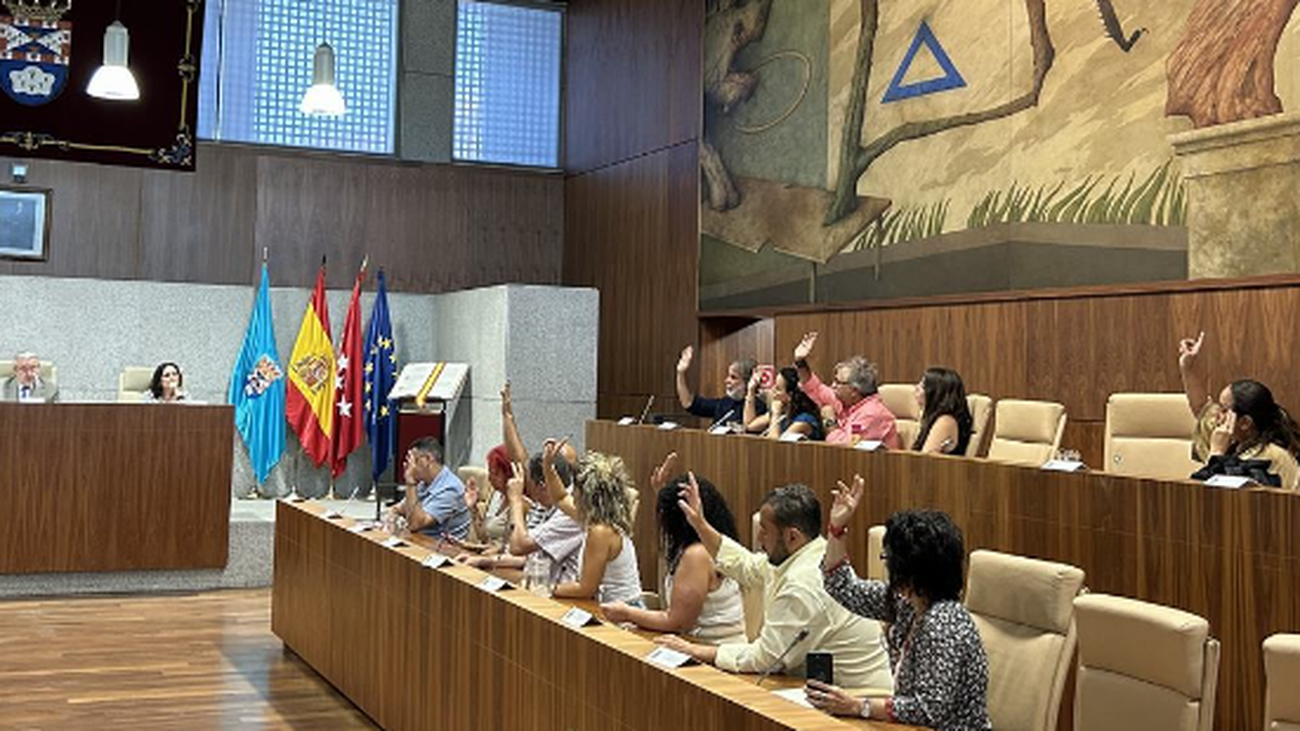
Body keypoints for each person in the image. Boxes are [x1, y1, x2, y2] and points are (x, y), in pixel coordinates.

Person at [654, 479, 893, 691]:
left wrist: (695, 651)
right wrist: (700, 525)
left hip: (857, 697)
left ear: (792, 536)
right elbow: (744, 564)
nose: (758, 539)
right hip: (821, 689)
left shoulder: (804, 583)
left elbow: (765, 658)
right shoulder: (801, 553)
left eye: (764, 532)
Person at [814, 475, 991, 729]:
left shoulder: (944, 623)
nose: (887, 565)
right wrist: (836, 528)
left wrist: (858, 705)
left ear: (909, 567)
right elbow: (842, 586)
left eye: (889, 559)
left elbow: (929, 711)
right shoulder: (909, 604)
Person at [600, 453, 747, 645]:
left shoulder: (697, 555)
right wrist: (662, 492)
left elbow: (678, 622)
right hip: (692, 645)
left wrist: (627, 612)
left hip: (712, 655)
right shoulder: (703, 545)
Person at [1178, 332, 1300, 489]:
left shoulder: (1271, 458)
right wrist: (1187, 367)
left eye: (1223, 410)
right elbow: (1202, 408)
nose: (1216, 415)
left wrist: (1216, 453)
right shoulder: (1233, 439)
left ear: (1245, 423)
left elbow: (1211, 494)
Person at [457, 452, 585, 586]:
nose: (526, 488)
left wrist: (516, 500)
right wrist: (483, 560)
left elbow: (518, 547)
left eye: (529, 483)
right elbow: (531, 557)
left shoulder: (570, 511)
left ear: (542, 486)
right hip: (543, 585)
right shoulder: (546, 505)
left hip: (563, 595)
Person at [544, 443, 644, 604]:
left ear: (587, 494)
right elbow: (560, 498)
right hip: (612, 608)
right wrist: (548, 467)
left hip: (624, 615)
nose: (572, 493)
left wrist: (544, 587)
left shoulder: (601, 532)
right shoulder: (601, 517)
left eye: (575, 488)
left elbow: (585, 589)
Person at [792, 332, 900, 448]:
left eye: (838, 382)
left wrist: (830, 421)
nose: (832, 385)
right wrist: (800, 362)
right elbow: (816, 388)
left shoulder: (873, 413)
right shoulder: (846, 402)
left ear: (854, 390)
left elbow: (844, 448)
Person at [385, 437, 471, 541]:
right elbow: (398, 509)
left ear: (427, 460)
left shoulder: (451, 489)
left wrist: (410, 482)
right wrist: (391, 520)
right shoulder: (423, 483)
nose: (408, 466)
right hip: (420, 542)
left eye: (412, 460)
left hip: (443, 549)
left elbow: (415, 524)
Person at [675, 344, 764, 427]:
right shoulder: (725, 402)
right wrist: (680, 373)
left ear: (747, 381)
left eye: (733, 377)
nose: (726, 381)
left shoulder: (758, 406)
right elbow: (688, 403)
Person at [744, 366, 824, 440]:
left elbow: (775, 445)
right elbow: (749, 425)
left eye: (778, 388)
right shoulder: (784, 413)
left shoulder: (803, 423)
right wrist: (751, 391)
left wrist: (776, 413)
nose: (772, 390)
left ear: (790, 396)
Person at [912, 367, 973, 455]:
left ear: (937, 393)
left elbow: (926, 459)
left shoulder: (946, 421)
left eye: (923, 386)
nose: (916, 388)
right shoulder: (933, 418)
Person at [463, 444, 513, 545]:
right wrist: (473, 508)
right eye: (489, 472)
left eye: (494, 473)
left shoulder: (519, 503)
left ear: (508, 473)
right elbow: (483, 536)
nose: (490, 478)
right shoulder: (495, 495)